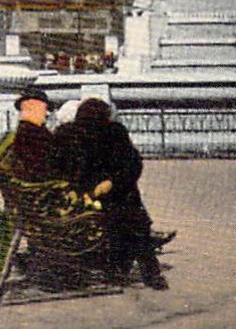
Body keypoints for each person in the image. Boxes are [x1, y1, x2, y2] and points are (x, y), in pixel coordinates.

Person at [53, 98, 175, 289]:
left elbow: (132, 164)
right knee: (133, 217)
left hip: (106, 193)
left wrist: (110, 183)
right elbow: (132, 164)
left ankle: (123, 270)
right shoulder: (89, 133)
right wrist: (99, 186)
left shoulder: (105, 133)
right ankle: (147, 272)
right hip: (91, 195)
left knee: (129, 211)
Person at [7, 86, 59, 180]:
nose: (45, 113)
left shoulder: (31, 127)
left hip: (36, 171)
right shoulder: (31, 130)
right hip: (37, 175)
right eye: (43, 108)